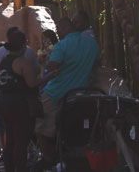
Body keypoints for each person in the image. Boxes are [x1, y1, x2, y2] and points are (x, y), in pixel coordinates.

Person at [36, 13, 99, 165]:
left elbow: (51, 69)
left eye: (58, 29)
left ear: (65, 28)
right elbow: (97, 65)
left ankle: (49, 158)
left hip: (56, 93)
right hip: (82, 94)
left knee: (38, 125)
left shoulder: (61, 46)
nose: (57, 33)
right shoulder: (92, 44)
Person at [0, 30, 50, 172]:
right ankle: (20, 167)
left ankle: (9, 168)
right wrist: (49, 77)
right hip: (20, 104)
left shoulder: (4, 60)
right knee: (21, 140)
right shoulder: (23, 62)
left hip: (4, 101)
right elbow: (32, 83)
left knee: (10, 138)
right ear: (23, 46)